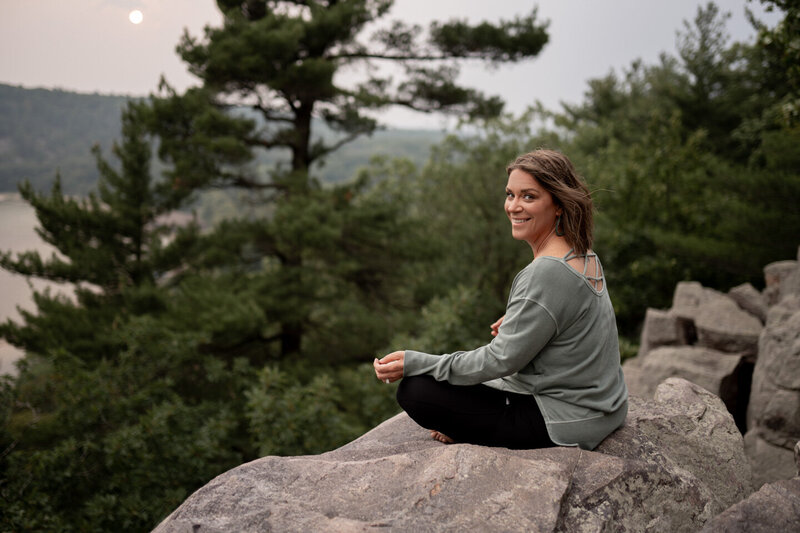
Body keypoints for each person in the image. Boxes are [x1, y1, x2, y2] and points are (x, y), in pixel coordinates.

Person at [373, 149, 628, 451]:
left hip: (565, 420)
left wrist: (419, 362)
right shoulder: (582, 253)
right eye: (510, 195)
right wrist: (527, 322)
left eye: (529, 197)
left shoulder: (545, 272)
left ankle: (469, 432)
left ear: (558, 204)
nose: (514, 206)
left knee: (415, 390)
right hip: (604, 408)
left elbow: (500, 360)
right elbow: (576, 319)